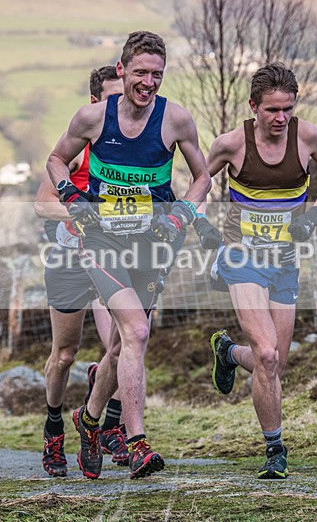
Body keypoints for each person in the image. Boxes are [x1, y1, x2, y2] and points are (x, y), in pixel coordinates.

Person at [46, 31, 211, 480]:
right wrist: (70, 196)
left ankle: (90, 418)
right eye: (141, 73)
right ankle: (137, 442)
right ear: (121, 71)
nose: (149, 82)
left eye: (157, 74)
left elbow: (203, 178)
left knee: (122, 345)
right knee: (136, 330)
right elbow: (56, 159)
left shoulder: (175, 119)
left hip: (154, 243)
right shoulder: (93, 118)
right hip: (102, 241)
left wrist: (182, 214)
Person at [205, 62, 317, 479]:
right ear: (253, 107)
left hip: (284, 261)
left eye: (287, 108)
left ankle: (228, 353)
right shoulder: (231, 143)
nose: (281, 118)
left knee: (275, 363)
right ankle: (275, 449)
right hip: (241, 257)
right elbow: (199, 179)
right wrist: (190, 220)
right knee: (266, 353)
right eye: (271, 110)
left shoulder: (308, 137)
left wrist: (313, 217)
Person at [34, 65, 129, 477]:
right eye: (112, 99)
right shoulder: (76, 146)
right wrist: (82, 210)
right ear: (95, 104)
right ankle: (54, 427)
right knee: (65, 354)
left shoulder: (137, 149)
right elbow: (42, 203)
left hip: (114, 260)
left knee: (125, 342)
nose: (120, 107)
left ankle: (107, 426)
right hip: (71, 257)